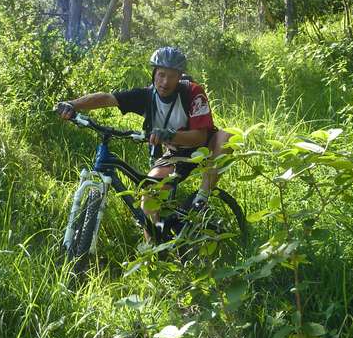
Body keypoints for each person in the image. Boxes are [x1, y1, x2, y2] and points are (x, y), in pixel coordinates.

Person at [54, 47, 230, 231]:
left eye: (171, 76)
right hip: (176, 154)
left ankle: (201, 200)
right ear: (154, 73)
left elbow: (199, 137)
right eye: (161, 75)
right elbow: (107, 98)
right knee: (148, 197)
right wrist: (72, 104)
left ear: (180, 77)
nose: (165, 82)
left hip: (205, 147)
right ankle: (156, 243)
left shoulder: (193, 92)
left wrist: (168, 134)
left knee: (227, 136)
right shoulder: (147, 96)